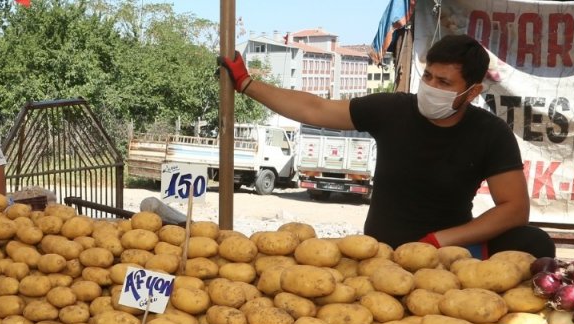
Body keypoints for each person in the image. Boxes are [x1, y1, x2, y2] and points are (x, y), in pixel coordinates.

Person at [219, 34, 555, 258]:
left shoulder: (490, 133)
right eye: (428, 77)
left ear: (472, 92)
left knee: (533, 242)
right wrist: (248, 84)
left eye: (444, 82)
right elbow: (316, 109)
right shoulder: (392, 110)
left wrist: (440, 240)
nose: (431, 87)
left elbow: (514, 209)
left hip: (449, 251)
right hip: (380, 250)